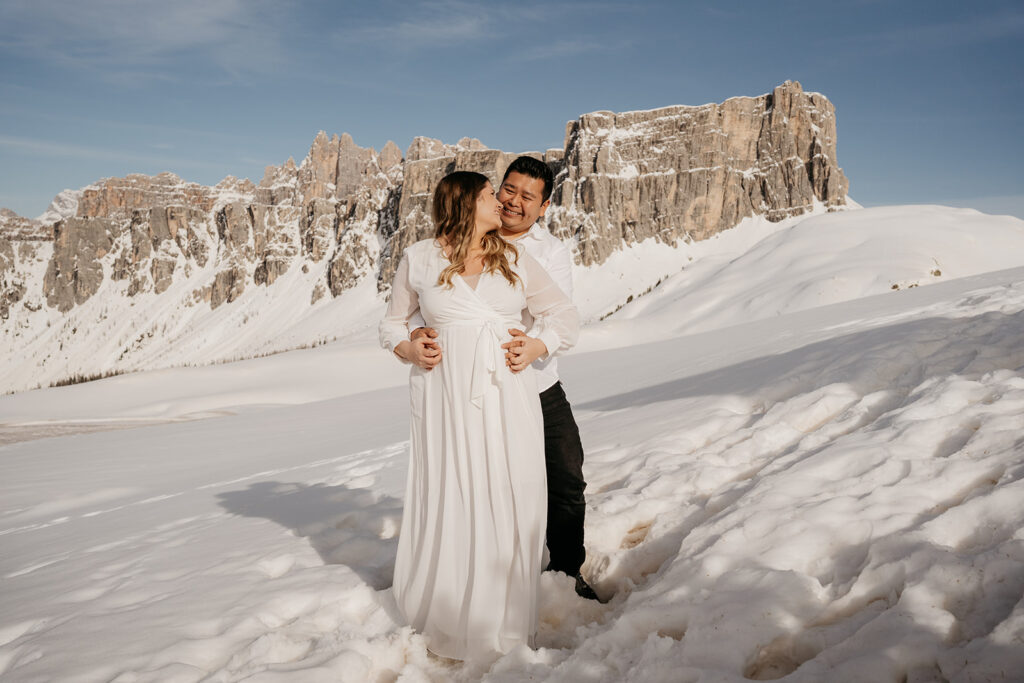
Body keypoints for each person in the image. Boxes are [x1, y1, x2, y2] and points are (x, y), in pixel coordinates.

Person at [379, 171, 580, 660]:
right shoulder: (419, 258)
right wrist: (408, 346)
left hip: (505, 395)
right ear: (466, 202)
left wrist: (536, 345)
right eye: (492, 193)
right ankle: (451, 610)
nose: (503, 202)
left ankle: (500, 617)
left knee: (507, 490)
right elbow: (390, 323)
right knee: (454, 491)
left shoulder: (514, 256)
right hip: (443, 398)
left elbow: (565, 317)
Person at [412, 156, 599, 601]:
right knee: (481, 480)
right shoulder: (449, 247)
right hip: (471, 390)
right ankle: (484, 575)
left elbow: (557, 314)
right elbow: (431, 308)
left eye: (526, 196)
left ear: (544, 206)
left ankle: (566, 573)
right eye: (506, 190)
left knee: (565, 477)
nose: (512, 202)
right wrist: (415, 335)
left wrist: (535, 344)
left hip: (535, 382)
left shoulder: (547, 252)